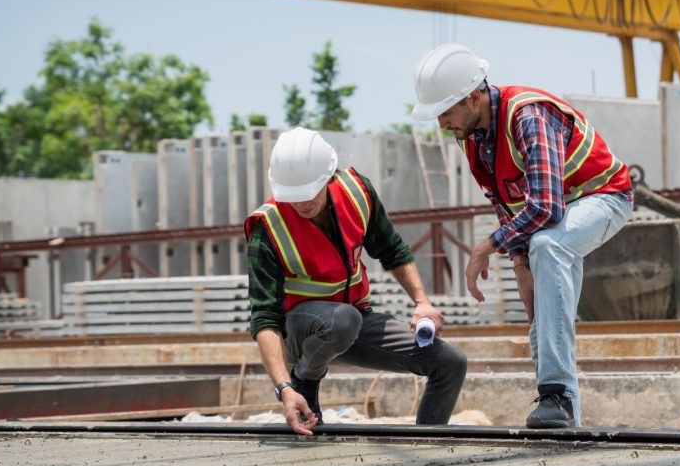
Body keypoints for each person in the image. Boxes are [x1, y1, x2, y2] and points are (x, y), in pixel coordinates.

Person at [412, 44, 633, 428]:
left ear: (473, 97)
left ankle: (556, 395)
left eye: (446, 112)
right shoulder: (471, 137)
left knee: (549, 244)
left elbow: (546, 208)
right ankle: (564, 421)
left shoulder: (527, 114)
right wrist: (519, 263)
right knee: (542, 307)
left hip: (603, 196)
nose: (442, 123)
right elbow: (505, 199)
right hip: (556, 216)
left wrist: (486, 247)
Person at [245, 127, 467, 435]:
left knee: (451, 363)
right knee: (343, 320)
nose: (302, 204)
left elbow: (392, 250)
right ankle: (304, 382)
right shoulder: (267, 227)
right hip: (299, 334)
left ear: (329, 176)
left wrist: (422, 302)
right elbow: (264, 318)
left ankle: (428, 442)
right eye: (294, 197)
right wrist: (285, 388)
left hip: (352, 323)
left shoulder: (357, 193)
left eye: (311, 192)